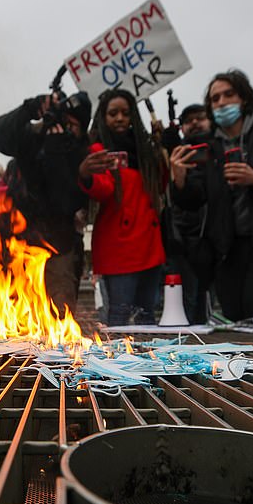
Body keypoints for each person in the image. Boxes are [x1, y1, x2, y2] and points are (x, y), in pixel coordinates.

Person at [170, 70, 253, 321]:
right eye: (215, 98)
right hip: (226, 249)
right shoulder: (209, 146)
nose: (222, 103)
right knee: (233, 319)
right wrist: (180, 179)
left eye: (229, 94)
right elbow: (194, 199)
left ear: (245, 98)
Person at [0, 90, 92, 316]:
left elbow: (66, 201)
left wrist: (56, 150)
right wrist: (29, 109)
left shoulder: (81, 152)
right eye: (63, 121)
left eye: (73, 124)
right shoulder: (33, 141)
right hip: (18, 250)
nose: (65, 128)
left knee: (58, 325)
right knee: (16, 326)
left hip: (58, 253)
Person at [79, 88, 166, 326]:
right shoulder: (97, 149)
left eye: (125, 113)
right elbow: (104, 188)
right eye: (113, 113)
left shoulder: (146, 148)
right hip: (118, 247)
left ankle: (148, 364)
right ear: (103, 117)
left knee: (146, 316)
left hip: (149, 245)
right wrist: (86, 174)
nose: (119, 118)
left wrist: (163, 147)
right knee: (120, 317)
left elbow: (161, 185)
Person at [163, 103, 213, 324]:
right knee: (188, 302)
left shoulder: (219, 150)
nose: (195, 123)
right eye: (189, 120)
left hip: (217, 238)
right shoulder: (176, 153)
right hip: (184, 240)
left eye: (200, 117)